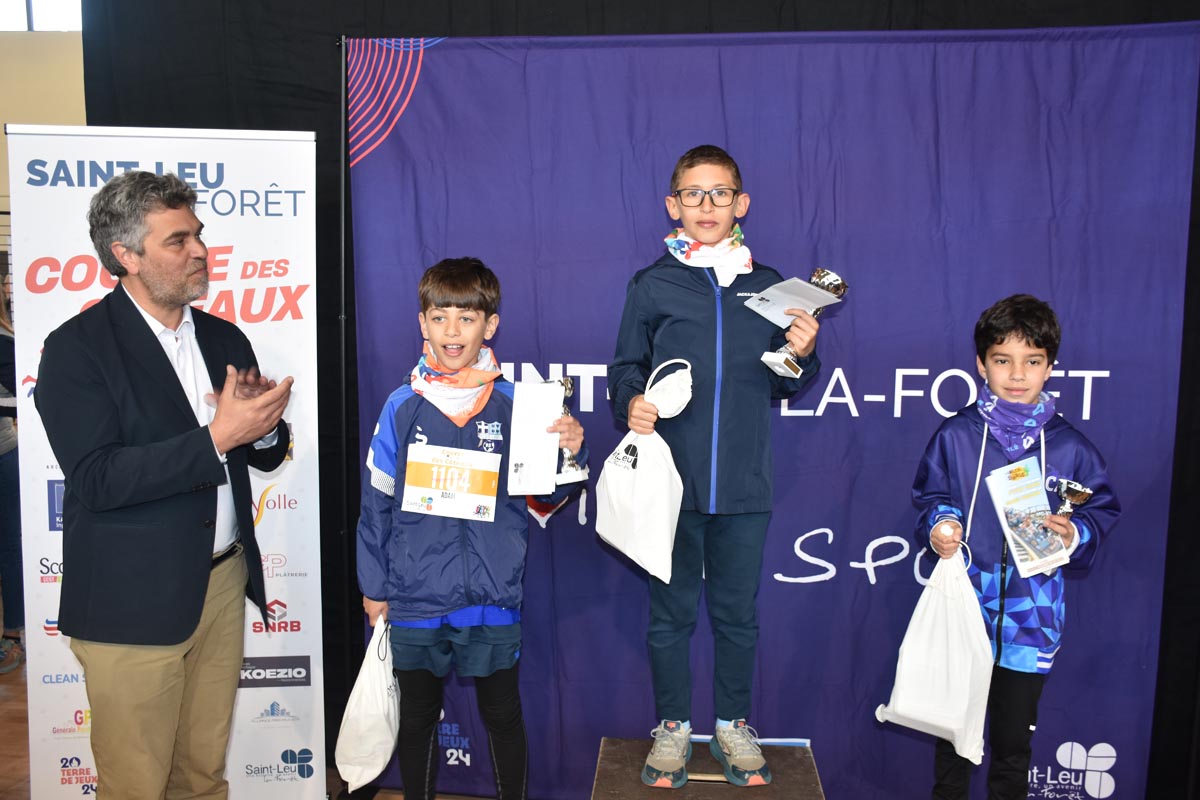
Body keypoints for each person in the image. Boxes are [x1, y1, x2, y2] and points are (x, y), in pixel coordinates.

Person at [34, 171, 293, 799]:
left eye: (198, 234)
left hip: (222, 582)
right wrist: (217, 437)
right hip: (131, 600)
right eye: (178, 240)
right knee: (136, 785)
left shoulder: (223, 336)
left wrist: (260, 429)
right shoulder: (76, 349)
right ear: (125, 255)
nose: (200, 250)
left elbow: (260, 453)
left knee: (202, 776)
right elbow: (97, 478)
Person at [608, 144, 822, 788]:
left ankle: (732, 725)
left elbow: (785, 381)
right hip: (670, 485)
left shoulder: (772, 286)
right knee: (670, 615)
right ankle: (673, 727)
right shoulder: (652, 284)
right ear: (672, 205)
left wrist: (802, 351)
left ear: (741, 203)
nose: (707, 205)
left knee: (736, 617)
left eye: (720, 193)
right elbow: (625, 369)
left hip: (744, 485)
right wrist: (631, 401)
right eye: (693, 194)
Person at [356, 257, 587, 800]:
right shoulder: (401, 406)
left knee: (502, 715)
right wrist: (374, 585)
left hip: (490, 593)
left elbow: (545, 498)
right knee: (417, 718)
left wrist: (567, 454)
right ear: (422, 323)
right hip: (414, 595)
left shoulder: (516, 404)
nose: (452, 331)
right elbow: (376, 503)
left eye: (466, 317)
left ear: (491, 324)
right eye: (440, 317)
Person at [912, 294, 1120, 800]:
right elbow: (932, 496)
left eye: (1032, 361)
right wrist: (941, 524)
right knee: (953, 745)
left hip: (1032, 617)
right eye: (1003, 360)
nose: (1018, 374)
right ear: (981, 364)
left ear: (1050, 367)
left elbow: (1101, 510)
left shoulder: (1070, 445)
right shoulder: (956, 434)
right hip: (964, 606)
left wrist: (1075, 533)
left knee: (1011, 749)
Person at [0, 289, 23, 674]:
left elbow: (28, 396)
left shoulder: (4, 342)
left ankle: (13, 636)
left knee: (9, 547)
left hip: (3, 456)